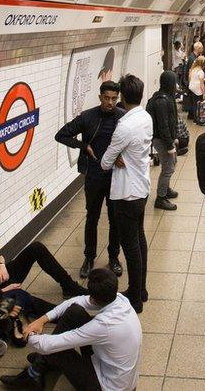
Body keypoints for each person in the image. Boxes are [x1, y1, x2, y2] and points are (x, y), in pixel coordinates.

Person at [0, 268, 141, 390]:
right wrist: (42, 320)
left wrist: (25, 331)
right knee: (75, 311)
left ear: (94, 298)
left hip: (107, 387)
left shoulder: (104, 325)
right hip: (115, 372)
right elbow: (75, 301)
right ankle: (43, 364)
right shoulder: (120, 299)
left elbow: (46, 345)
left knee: (57, 350)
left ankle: (34, 374)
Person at [56, 80, 125, 279]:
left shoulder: (122, 118)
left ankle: (114, 257)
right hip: (94, 177)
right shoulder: (88, 117)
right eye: (106, 98)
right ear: (100, 97)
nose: (110, 102)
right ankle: (89, 258)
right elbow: (61, 135)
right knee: (92, 218)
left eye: (114, 99)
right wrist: (83, 146)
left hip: (115, 177)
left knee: (115, 219)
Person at [0, 206, 87, 306]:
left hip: (1, 277)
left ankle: (69, 286)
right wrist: (4, 290)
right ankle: (63, 314)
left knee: (36, 247)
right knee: (29, 301)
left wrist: (1, 265)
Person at [101, 74, 152, 314]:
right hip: (141, 188)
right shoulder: (145, 117)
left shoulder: (124, 126)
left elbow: (104, 161)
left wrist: (116, 157)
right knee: (139, 240)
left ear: (121, 96)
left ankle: (134, 297)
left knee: (130, 245)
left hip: (125, 194)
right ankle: (141, 289)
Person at [146, 70, 179, 211]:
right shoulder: (162, 101)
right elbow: (163, 125)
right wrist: (169, 145)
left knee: (172, 163)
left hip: (166, 138)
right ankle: (161, 198)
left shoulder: (166, 97)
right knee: (168, 167)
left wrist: (174, 137)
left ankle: (166, 188)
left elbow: (172, 119)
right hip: (161, 139)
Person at [187, 55, 205, 124]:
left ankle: (194, 119)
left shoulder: (193, 69)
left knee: (194, 104)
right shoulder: (201, 72)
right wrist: (204, 93)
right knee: (199, 105)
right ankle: (198, 120)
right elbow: (202, 84)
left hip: (191, 87)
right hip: (197, 89)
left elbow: (190, 78)